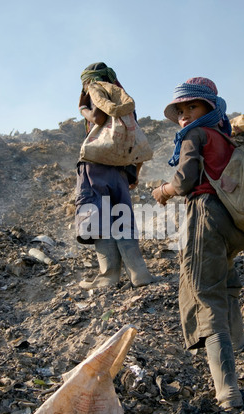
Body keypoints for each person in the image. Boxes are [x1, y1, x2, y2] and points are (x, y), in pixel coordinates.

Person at [152, 77, 244, 410]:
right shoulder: (224, 136)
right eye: (180, 110)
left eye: (191, 107)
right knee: (225, 280)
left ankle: (227, 391)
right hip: (233, 222)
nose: (184, 115)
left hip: (206, 216)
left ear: (209, 107)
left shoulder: (195, 135)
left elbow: (183, 182)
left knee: (205, 295)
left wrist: (162, 191)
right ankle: (239, 337)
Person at [75, 62, 155, 289]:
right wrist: (135, 175)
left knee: (98, 218)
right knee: (122, 219)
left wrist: (82, 108)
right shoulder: (124, 102)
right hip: (120, 172)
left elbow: (98, 118)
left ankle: (108, 277)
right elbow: (135, 143)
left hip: (95, 168)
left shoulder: (95, 90)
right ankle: (139, 274)